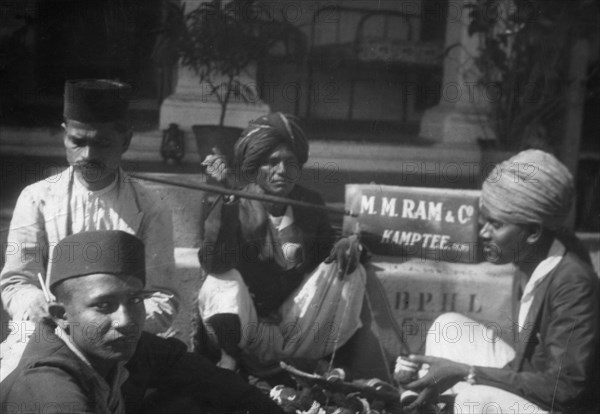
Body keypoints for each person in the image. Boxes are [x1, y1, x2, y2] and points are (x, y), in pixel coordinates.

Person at [401, 150, 599, 413]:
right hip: (534, 385)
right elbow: (525, 365)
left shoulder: (573, 284)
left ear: (533, 232)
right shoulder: (528, 258)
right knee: (447, 327)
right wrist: (436, 368)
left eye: (495, 225)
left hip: (561, 407)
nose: (483, 233)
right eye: (484, 222)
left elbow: (565, 390)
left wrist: (468, 373)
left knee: (477, 399)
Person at [1, 230, 284, 414]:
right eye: (104, 305)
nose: (125, 320)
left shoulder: (117, 345)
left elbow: (212, 379)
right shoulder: (49, 388)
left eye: (135, 299)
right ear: (61, 315)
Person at [1, 79, 178, 336]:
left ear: (126, 140)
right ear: (64, 135)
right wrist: (35, 304)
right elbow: (17, 283)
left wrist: (115, 325)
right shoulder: (36, 199)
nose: (87, 155)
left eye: (102, 144)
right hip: (50, 334)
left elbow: (164, 297)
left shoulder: (150, 207)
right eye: (78, 141)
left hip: (125, 338)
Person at [197, 112, 367, 375]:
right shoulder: (236, 203)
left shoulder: (309, 202)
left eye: (291, 162)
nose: (282, 172)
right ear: (254, 167)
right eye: (271, 163)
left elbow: (328, 253)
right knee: (220, 279)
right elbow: (214, 262)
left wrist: (348, 244)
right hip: (247, 328)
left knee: (351, 270)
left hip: (292, 327)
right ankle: (229, 360)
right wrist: (227, 204)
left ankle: (332, 363)